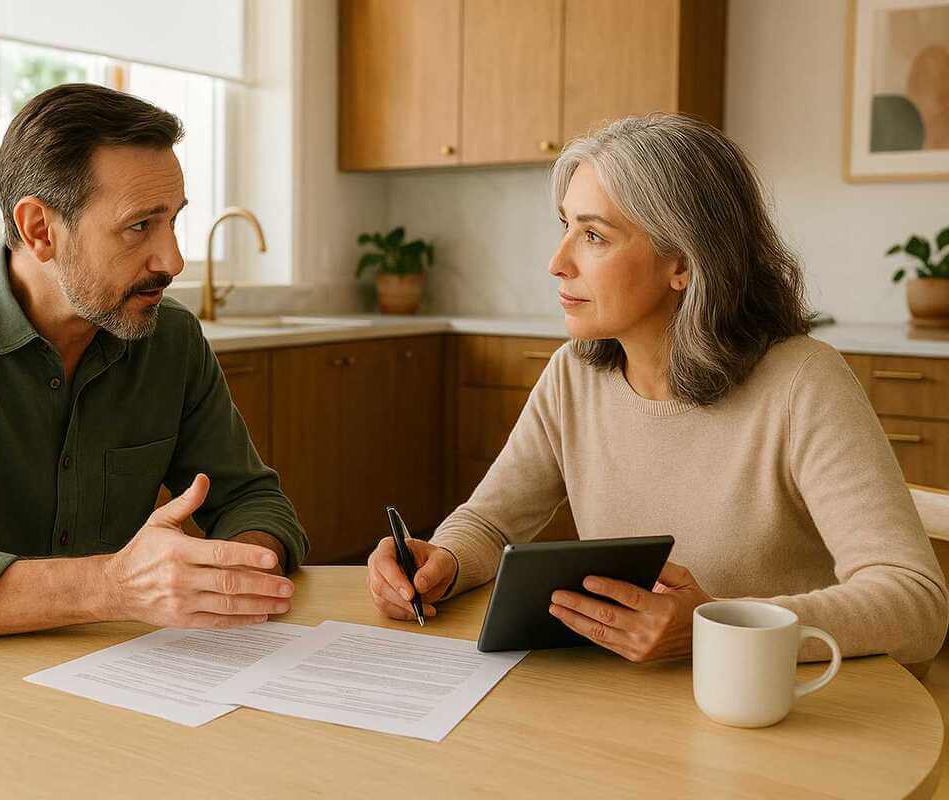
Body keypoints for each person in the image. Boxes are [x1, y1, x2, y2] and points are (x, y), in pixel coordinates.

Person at [367, 113, 948, 668]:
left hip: (783, 713)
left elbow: (916, 604)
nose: (556, 262)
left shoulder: (803, 383)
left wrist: (713, 628)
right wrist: (441, 559)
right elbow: (491, 524)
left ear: (684, 264)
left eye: (593, 235)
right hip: (635, 703)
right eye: (566, 226)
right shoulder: (574, 375)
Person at [0, 84, 306, 650]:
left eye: (173, 220)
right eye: (139, 226)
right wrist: (115, 586)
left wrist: (230, 572)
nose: (172, 260)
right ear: (40, 230)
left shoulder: (170, 338)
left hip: (108, 667)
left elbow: (251, 499)